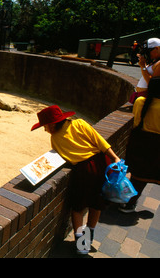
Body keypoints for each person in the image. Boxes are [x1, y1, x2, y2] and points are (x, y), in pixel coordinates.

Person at [31, 105, 120, 255]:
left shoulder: (55, 139)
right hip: (101, 163)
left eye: (45, 127)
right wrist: (115, 158)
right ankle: (89, 235)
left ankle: (81, 244)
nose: (45, 130)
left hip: (83, 171)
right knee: (96, 204)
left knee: (77, 208)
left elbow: (63, 159)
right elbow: (100, 142)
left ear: (52, 124)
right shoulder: (79, 123)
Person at [120, 77, 160, 213]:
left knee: (137, 174)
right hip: (156, 144)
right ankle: (129, 203)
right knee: (144, 176)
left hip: (139, 139)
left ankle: (127, 200)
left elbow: (136, 120)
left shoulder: (140, 102)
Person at [130, 38, 160, 103]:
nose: (148, 54)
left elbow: (152, 84)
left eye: (148, 52)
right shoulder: (155, 61)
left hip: (146, 98)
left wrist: (143, 67)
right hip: (141, 96)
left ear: (157, 48)